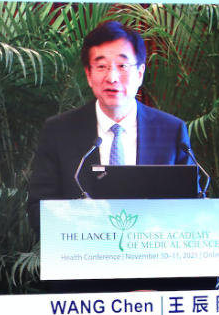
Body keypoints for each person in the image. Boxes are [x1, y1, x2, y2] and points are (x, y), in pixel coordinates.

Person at [27, 20, 194, 233]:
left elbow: (193, 208)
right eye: (101, 66)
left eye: (122, 66)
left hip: (151, 250)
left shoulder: (171, 131)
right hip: (85, 251)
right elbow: (38, 211)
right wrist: (75, 218)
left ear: (140, 73)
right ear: (89, 75)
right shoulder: (59, 132)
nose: (112, 77)